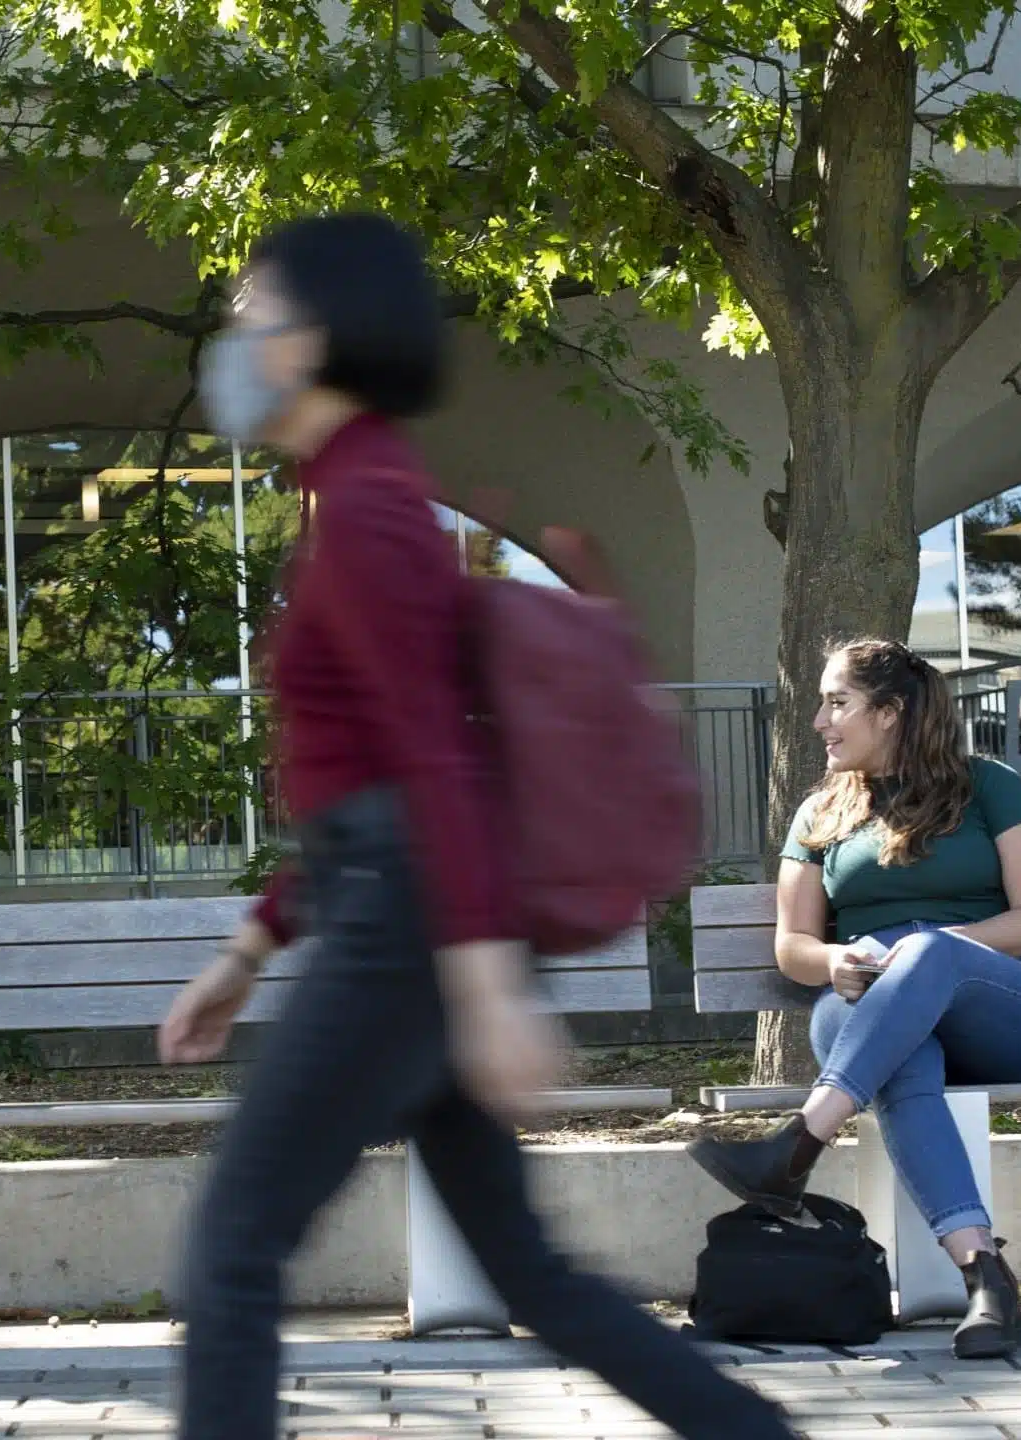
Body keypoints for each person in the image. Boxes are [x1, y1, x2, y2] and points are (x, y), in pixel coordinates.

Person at [156, 213, 796, 1440]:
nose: (231, 334)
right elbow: (361, 774)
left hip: (409, 931)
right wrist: (248, 954)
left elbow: (428, 760)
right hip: (402, 912)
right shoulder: (356, 494)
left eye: (251, 310)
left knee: (231, 1254)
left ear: (314, 339)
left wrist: (490, 980)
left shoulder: (374, 504)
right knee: (528, 1273)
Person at [687, 638, 1021, 1360]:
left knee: (925, 953)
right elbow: (792, 946)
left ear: (890, 712)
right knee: (902, 1062)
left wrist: (921, 949)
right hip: (865, 1012)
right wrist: (837, 960)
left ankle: (798, 1146)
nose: (820, 720)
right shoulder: (819, 813)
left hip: (996, 1008)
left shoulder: (989, 786)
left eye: (838, 702)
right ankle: (985, 1277)